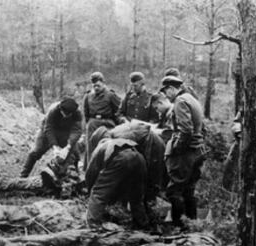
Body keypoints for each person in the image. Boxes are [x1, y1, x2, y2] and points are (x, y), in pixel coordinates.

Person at [160, 75, 207, 227]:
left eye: (166, 91)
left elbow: (186, 130)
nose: (166, 95)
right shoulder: (191, 99)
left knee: (174, 191)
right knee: (189, 190)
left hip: (186, 153)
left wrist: (177, 149)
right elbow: (201, 127)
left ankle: (177, 227)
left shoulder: (180, 102)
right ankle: (192, 225)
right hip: (197, 150)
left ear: (172, 88)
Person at [90, 120, 165, 210]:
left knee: (148, 179)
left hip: (152, 145)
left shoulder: (118, 138)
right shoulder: (114, 137)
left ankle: (148, 205)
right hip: (140, 146)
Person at [85, 135, 152, 230]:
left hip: (122, 158)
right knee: (136, 197)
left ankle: (93, 225)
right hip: (140, 158)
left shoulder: (100, 147)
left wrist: (90, 192)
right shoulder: (120, 142)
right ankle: (143, 224)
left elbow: (90, 173)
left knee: (98, 193)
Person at [20, 98, 82, 178]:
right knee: (35, 152)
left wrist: (68, 146)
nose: (65, 116)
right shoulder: (53, 110)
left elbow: (76, 130)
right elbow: (49, 128)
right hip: (47, 130)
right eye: (64, 114)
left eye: (68, 115)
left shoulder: (77, 113)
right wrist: (55, 147)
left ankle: (74, 178)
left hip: (65, 132)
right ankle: (23, 176)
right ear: (60, 109)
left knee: (74, 155)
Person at [83, 72, 121, 168]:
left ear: (103, 83)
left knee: (108, 146)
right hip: (93, 124)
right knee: (91, 147)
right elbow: (86, 112)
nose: (96, 88)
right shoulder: (88, 96)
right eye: (94, 86)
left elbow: (118, 111)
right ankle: (91, 169)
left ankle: (108, 167)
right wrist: (90, 122)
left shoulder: (111, 95)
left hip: (107, 123)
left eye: (98, 86)